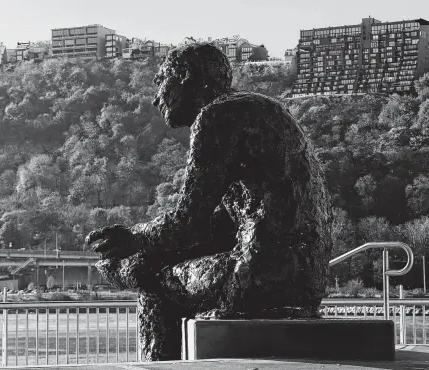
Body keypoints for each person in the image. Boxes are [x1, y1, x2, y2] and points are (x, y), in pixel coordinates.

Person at [86, 43, 332, 361]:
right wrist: (138, 253)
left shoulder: (217, 116)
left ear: (185, 78)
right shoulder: (256, 113)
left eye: (161, 83)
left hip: (262, 275)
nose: (156, 98)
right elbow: (219, 227)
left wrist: (133, 240)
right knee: (143, 267)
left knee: (157, 288)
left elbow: (189, 224)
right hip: (302, 279)